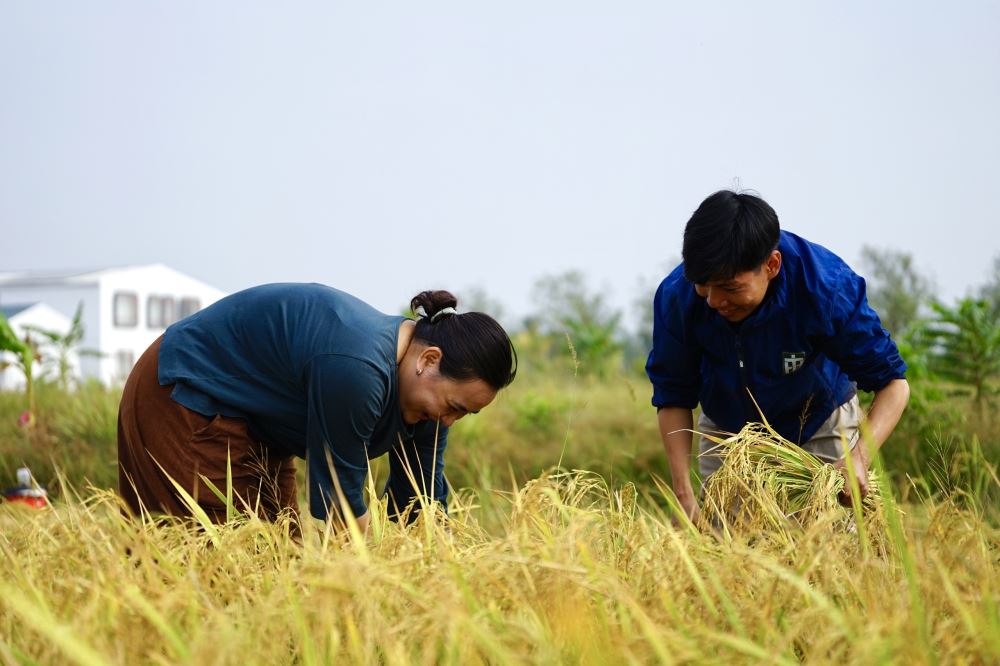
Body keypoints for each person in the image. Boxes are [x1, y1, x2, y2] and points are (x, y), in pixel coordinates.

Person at [117, 283, 517, 531]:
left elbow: (422, 503)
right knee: (214, 562)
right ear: (428, 360)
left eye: (464, 414)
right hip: (188, 390)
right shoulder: (356, 369)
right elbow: (341, 509)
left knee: (277, 558)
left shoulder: (430, 406)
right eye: (453, 406)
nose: (449, 421)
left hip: (258, 427)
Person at [646, 190, 910, 521]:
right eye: (703, 286)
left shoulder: (824, 288)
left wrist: (858, 458)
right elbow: (673, 396)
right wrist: (683, 494)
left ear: (771, 265)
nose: (713, 300)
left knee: (824, 541)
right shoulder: (678, 296)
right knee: (726, 542)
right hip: (728, 428)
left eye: (729, 288)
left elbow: (893, 384)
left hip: (818, 419)